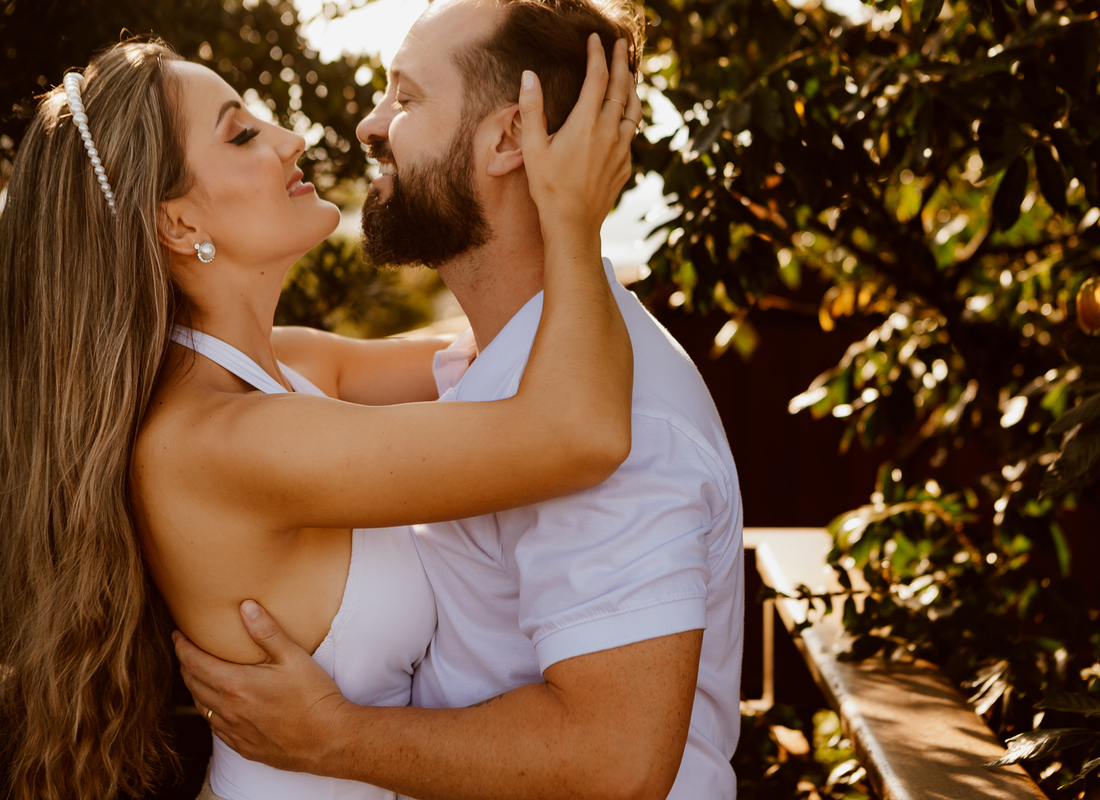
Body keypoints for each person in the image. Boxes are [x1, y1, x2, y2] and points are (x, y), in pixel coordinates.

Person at [0, 25, 642, 800]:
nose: (291, 138)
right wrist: (573, 213)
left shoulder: (288, 366)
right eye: (241, 135)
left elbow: (491, 347)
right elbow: (578, 431)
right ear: (178, 224)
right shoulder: (223, 441)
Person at [174, 0, 745, 799]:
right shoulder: (510, 368)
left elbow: (616, 762)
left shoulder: (626, 424)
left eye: (404, 98)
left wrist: (334, 738)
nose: (369, 125)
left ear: (510, 138)